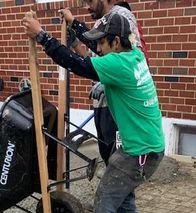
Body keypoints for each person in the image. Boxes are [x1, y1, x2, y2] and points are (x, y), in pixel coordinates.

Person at [23, 11, 165, 213]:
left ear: (116, 42)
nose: (97, 47)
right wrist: (75, 24)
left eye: (102, 42)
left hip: (139, 151)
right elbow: (96, 51)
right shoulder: (134, 56)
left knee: (106, 194)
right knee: (121, 188)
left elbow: (76, 63)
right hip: (147, 146)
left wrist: (42, 37)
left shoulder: (118, 65)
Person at [61, 1, 148, 165]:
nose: (87, 6)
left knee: (119, 163)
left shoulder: (122, 16)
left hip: (117, 104)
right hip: (103, 103)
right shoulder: (102, 21)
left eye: (90, 1)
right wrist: (74, 42)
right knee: (109, 158)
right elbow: (93, 60)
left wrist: (106, 83)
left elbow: (134, 59)